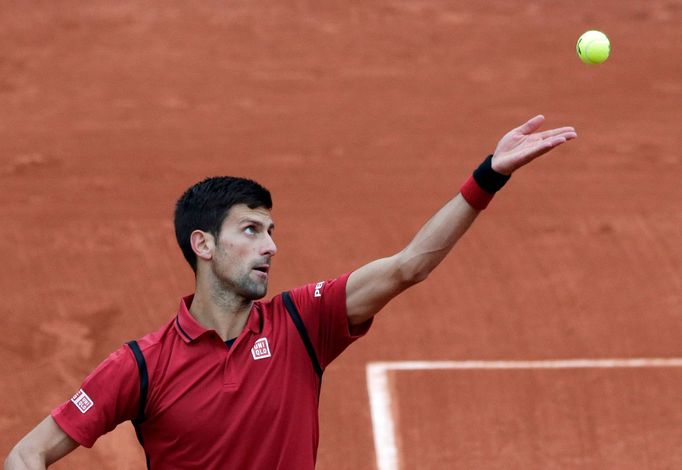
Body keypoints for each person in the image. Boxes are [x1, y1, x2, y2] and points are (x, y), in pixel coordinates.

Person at [4, 115, 576, 470]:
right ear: (202, 245)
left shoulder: (302, 323)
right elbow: (27, 454)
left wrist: (487, 177)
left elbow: (407, 267)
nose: (270, 246)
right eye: (250, 231)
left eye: (271, 232)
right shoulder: (141, 366)